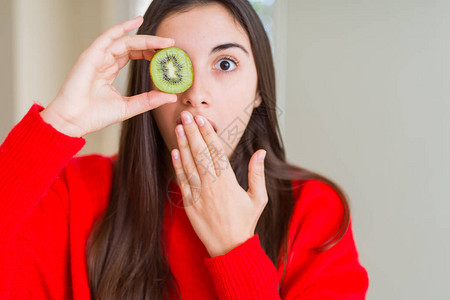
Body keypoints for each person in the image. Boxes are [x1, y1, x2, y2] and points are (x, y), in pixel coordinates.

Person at [0, 0, 369, 299]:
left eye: (225, 64)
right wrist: (61, 122)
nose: (196, 96)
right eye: (177, 68)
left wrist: (235, 250)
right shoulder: (74, 191)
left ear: (259, 88)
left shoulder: (314, 211)